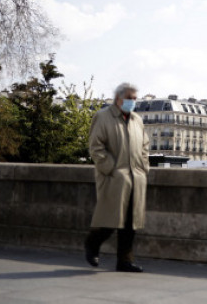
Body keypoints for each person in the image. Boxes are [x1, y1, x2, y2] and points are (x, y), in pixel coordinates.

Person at [84, 82, 149, 272]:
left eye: (135, 99)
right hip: (115, 178)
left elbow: (145, 146)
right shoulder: (103, 117)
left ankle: (125, 261)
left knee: (130, 224)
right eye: (130, 98)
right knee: (109, 220)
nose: (133, 102)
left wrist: (143, 167)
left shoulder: (137, 120)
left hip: (136, 178)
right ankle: (92, 244)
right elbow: (96, 147)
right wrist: (111, 169)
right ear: (118, 98)